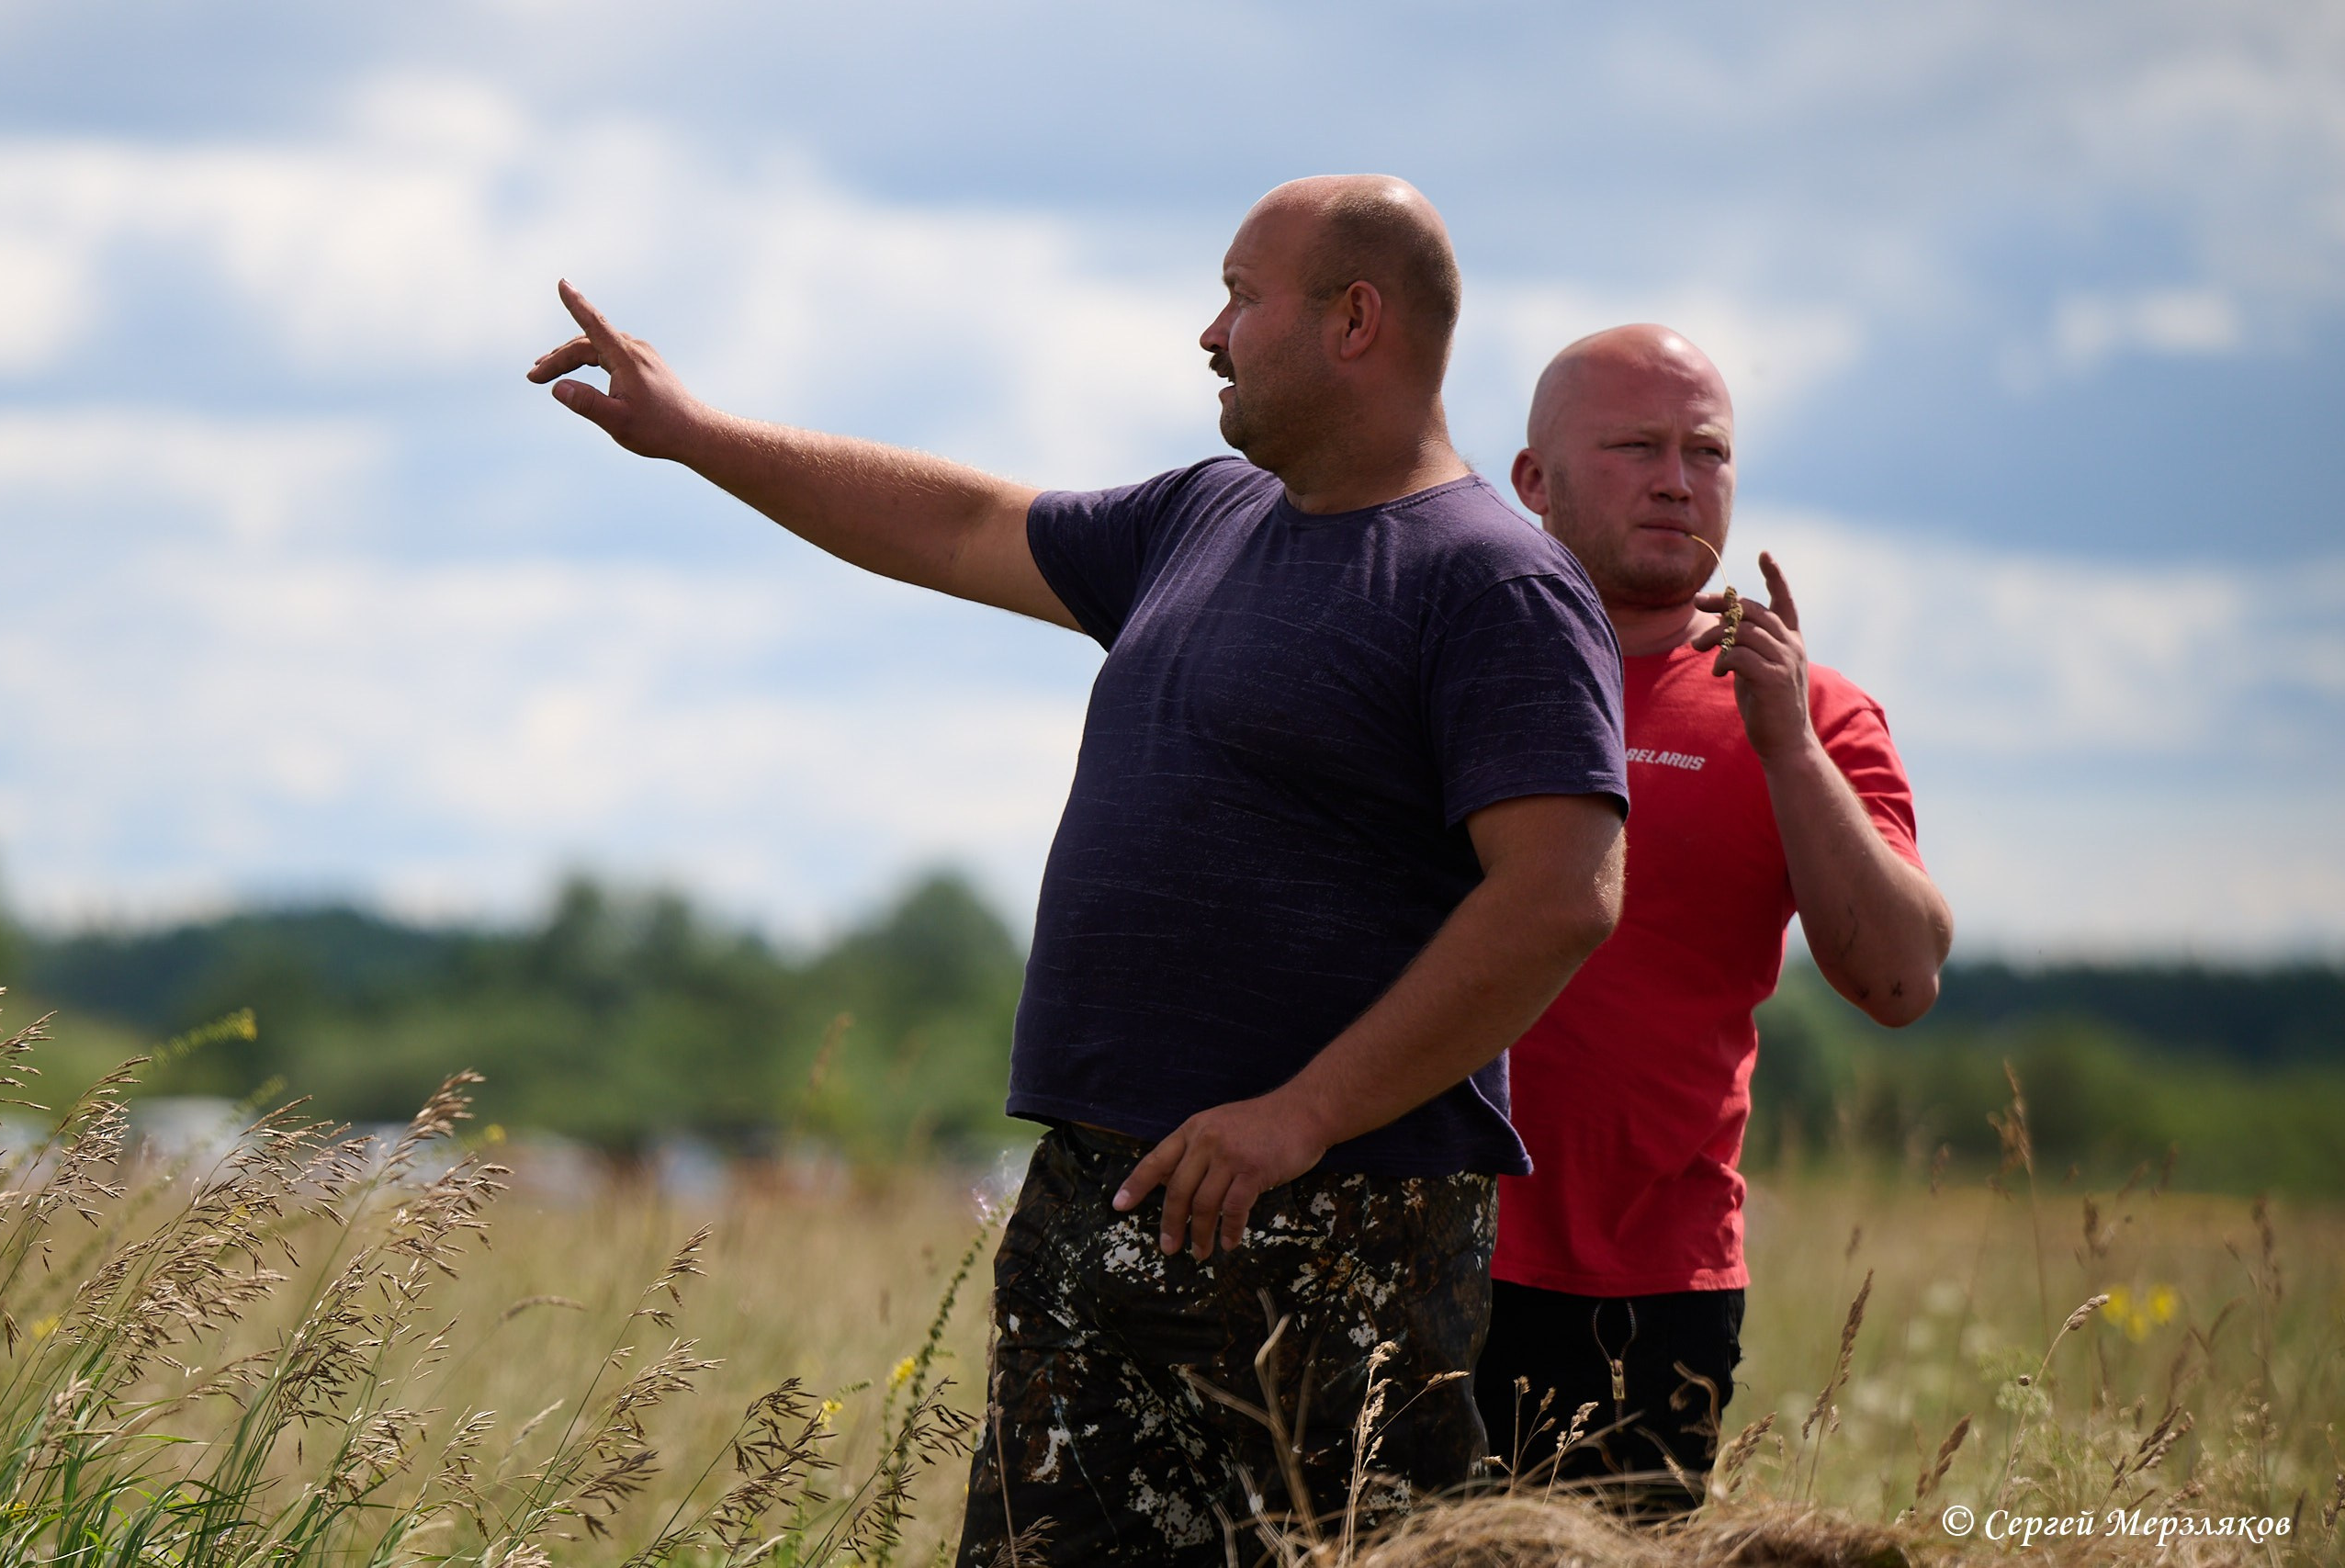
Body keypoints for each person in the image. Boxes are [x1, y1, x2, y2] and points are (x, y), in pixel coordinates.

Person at [529, 176, 1630, 1564]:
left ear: (1357, 320)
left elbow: (1558, 898)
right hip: (1104, 1202)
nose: (1209, 331)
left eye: (1243, 293)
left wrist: (1299, 1116)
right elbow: (960, 525)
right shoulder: (1201, 519)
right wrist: (695, 436)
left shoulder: (1491, 583)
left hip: (1335, 1233)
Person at [1472, 325, 1955, 1515]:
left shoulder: (1816, 716)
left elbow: (1898, 981)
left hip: (1657, 1287)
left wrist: (1784, 743)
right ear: (1532, 482)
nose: (1677, 479)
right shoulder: (1452, 663)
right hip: (1422, 1241)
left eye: (1707, 451)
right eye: (1636, 445)